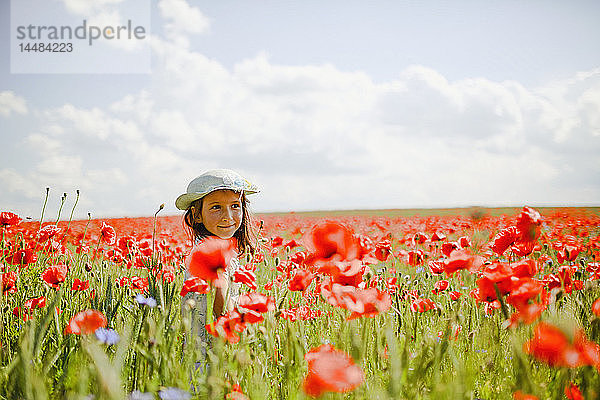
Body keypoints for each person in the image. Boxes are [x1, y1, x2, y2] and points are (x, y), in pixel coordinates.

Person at [175, 169, 260, 352]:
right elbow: (221, 307)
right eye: (216, 207)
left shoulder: (214, 248)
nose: (228, 216)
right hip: (211, 352)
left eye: (235, 206)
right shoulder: (209, 254)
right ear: (196, 215)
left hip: (202, 348)